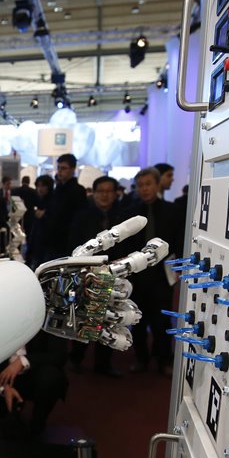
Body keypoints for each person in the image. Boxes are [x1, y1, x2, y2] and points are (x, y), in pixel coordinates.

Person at [67, 176, 126, 377]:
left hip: (114, 273)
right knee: (84, 315)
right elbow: (74, 244)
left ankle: (103, 363)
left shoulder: (123, 216)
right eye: (100, 190)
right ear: (93, 192)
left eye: (109, 190)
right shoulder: (82, 215)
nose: (105, 194)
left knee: (109, 318)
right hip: (87, 275)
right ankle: (75, 359)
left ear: (116, 193)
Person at [127, 167, 182, 375]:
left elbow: (178, 240)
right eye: (140, 185)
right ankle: (141, 359)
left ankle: (164, 360)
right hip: (136, 275)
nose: (144, 189)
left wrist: (178, 267)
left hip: (162, 275)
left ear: (158, 185)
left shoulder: (172, 211)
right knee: (137, 320)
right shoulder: (130, 213)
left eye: (148, 184)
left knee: (162, 321)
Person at [0, 331, 69, 439]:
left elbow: (59, 356)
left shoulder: (47, 318)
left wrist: (23, 361)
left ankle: (38, 419)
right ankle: (11, 410)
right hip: (2, 374)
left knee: (52, 377)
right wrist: (3, 387)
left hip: (35, 373)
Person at [42, 153, 88, 261]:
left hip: (67, 242)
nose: (60, 171)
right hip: (53, 241)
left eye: (63, 168)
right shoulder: (58, 189)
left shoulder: (77, 191)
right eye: (58, 168)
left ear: (72, 169)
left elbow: (75, 218)